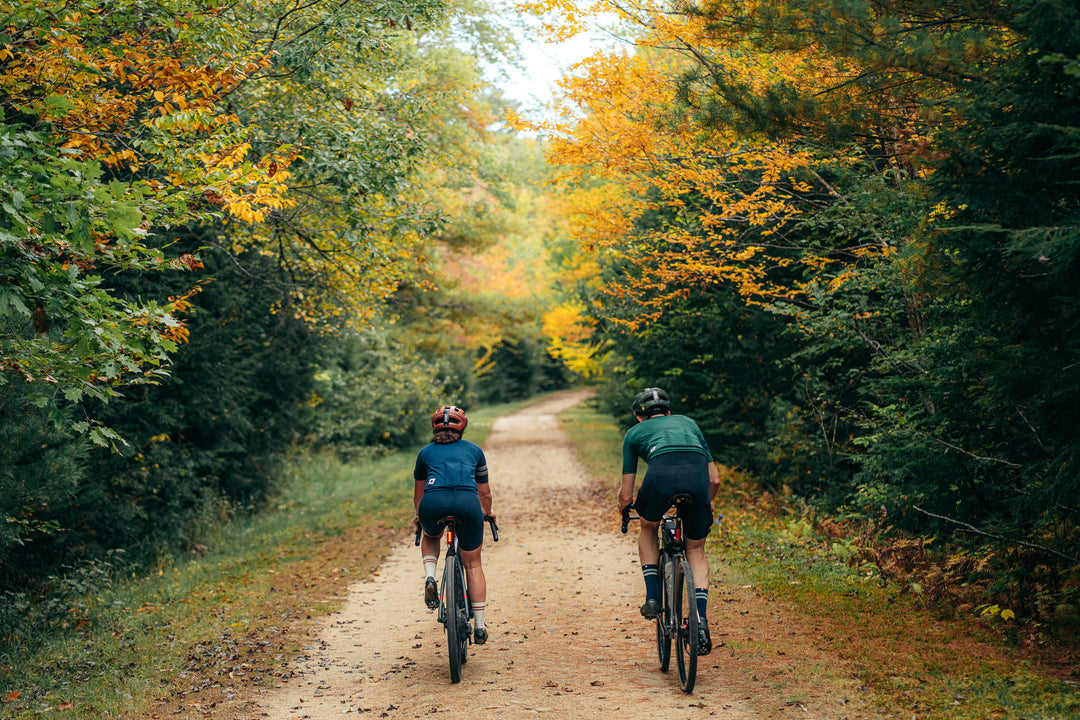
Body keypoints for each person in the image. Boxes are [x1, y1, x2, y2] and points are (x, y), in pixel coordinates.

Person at [617, 387, 722, 655]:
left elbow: (627, 493)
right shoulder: (690, 424)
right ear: (668, 412)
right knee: (696, 549)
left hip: (659, 480)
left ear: (639, 416)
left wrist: (624, 505)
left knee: (649, 526)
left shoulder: (633, 433)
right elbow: (715, 479)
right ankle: (700, 620)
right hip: (697, 483)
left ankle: (653, 596)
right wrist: (707, 501)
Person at [412, 405, 496, 645]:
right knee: (473, 564)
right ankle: (479, 626)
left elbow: (418, 494)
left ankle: (430, 577)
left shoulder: (425, 453)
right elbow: (485, 492)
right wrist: (488, 513)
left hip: (433, 502)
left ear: (434, 427)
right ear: (463, 427)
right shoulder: (475, 451)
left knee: (430, 534)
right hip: (467, 504)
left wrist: (419, 514)